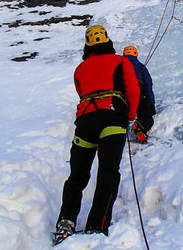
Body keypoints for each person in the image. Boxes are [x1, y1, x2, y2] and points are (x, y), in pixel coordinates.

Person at [54, 25, 140, 245]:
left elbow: (82, 92)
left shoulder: (80, 69)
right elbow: (132, 90)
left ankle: (66, 221)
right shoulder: (121, 62)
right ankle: (97, 225)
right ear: (107, 41)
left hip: (85, 122)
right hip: (113, 119)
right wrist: (129, 115)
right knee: (108, 173)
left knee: (77, 175)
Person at [122, 46, 156, 143]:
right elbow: (148, 85)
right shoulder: (141, 66)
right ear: (136, 54)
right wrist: (151, 103)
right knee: (147, 118)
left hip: (123, 94)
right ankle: (141, 125)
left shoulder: (119, 65)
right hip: (139, 93)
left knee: (123, 114)